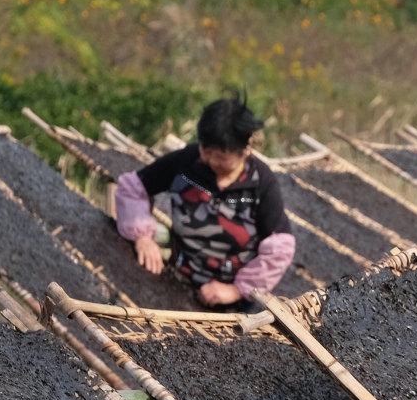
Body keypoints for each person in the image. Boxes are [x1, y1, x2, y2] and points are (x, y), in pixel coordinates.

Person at [114, 96, 295, 308]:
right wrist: (142, 237)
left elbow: (281, 246)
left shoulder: (260, 183)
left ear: (245, 149)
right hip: (175, 282)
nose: (210, 161)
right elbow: (133, 188)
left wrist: (236, 290)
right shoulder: (187, 163)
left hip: (232, 303)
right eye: (206, 151)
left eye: (220, 156)